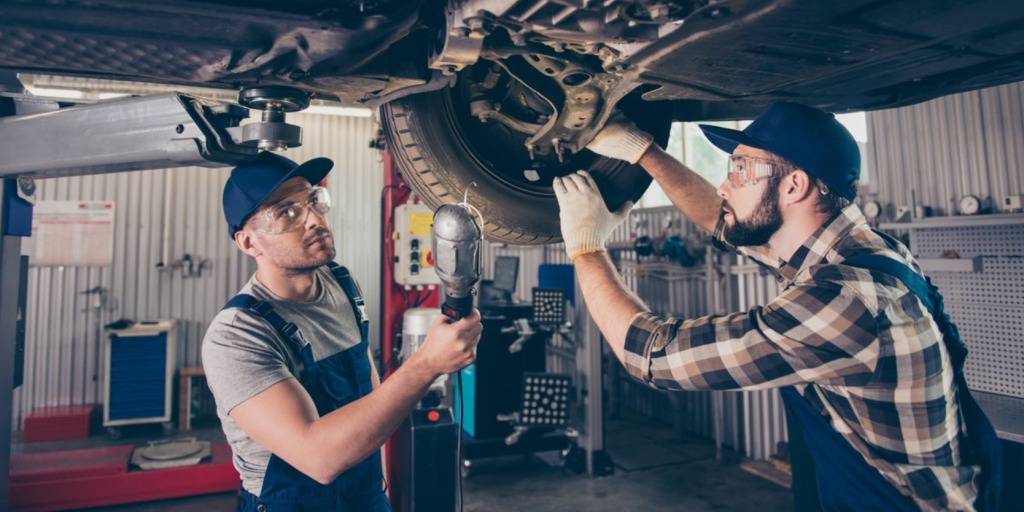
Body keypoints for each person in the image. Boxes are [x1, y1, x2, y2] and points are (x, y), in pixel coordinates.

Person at [553, 102, 1000, 512]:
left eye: (740, 170)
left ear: (794, 185)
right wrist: (643, 151)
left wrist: (586, 247)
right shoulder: (860, 250)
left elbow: (651, 355)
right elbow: (719, 217)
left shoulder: (846, 300)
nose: (725, 184)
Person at [203, 151, 482, 512]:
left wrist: (376, 488)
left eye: (314, 201)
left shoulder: (340, 283)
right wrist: (426, 364)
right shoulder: (237, 336)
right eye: (287, 212)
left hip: (365, 496)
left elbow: (368, 383)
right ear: (248, 243)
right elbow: (318, 458)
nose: (314, 220)